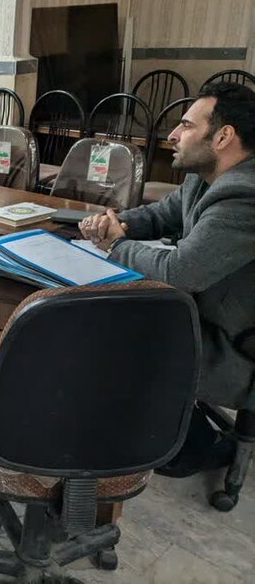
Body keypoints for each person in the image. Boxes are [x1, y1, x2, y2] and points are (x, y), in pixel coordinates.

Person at [79, 82, 255, 470]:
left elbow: (179, 273)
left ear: (223, 136)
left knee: (116, 339)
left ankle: (197, 451)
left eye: (186, 125)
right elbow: (162, 214)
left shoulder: (244, 195)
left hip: (237, 344)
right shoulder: (205, 177)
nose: (173, 135)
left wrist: (114, 243)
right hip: (206, 313)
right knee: (108, 316)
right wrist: (115, 222)